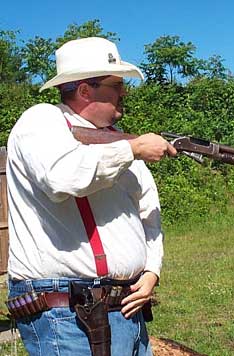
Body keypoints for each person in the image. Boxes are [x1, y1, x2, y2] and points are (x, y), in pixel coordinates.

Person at [6, 36, 177, 356]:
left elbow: (148, 209)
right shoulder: (41, 121)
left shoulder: (118, 142)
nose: (124, 91)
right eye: (116, 84)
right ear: (85, 90)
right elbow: (62, 178)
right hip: (68, 316)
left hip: (126, 309)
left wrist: (152, 268)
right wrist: (132, 149)